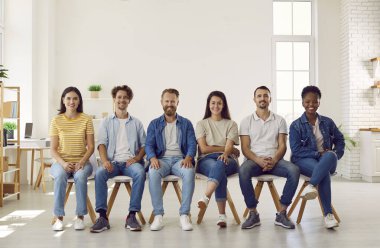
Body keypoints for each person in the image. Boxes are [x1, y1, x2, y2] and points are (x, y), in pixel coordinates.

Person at [239, 86, 300, 230]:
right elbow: (245, 148)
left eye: (265, 96)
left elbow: (282, 146)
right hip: (254, 161)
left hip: (275, 160)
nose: (262, 98)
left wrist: (274, 160)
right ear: (254, 99)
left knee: (294, 170)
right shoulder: (246, 121)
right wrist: (258, 160)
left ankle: (282, 212)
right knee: (243, 171)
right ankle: (253, 213)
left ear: (270, 99)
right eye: (259, 96)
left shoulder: (279, 120)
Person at [90, 85, 146, 233]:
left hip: (130, 163)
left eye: (125, 97)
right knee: (100, 174)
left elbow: (144, 145)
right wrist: (105, 161)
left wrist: (137, 158)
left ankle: (132, 216)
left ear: (129, 100)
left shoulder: (137, 123)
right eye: (119, 97)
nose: (122, 100)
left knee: (140, 173)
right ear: (114, 99)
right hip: (112, 163)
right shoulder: (106, 121)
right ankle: (102, 217)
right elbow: (101, 143)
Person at [289, 85, 344, 229]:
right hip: (304, 161)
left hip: (326, 160)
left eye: (315, 101)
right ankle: (328, 215)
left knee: (331, 155)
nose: (311, 105)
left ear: (319, 102)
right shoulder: (296, 125)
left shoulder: (327, 122)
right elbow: (296, 151)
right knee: (323, 172)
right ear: (302, 102)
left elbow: (340, 140)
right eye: (307, 102)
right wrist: (318, 154)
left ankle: (311, 185)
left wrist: (336, 153)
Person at [145, 88, 196, 231]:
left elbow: (192, 143)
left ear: (177, 102)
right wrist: (152, 157)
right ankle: (158, 215)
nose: (169, 104)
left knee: (189, 172)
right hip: (162, 159)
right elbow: (149, 144)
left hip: (181, 159)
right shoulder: (154, 124)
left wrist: (188, 157)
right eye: (167, 101)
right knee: (153, 172)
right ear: (161, 102)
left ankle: (184, 215)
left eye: (172, 101)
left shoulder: (186, 123)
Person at [50, 86, 95, 231]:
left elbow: (91, 146)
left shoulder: (86, 119)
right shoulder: (56, 120)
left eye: (75, 98)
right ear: (63, 100)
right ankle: (59, 218)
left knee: (81, 176)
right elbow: (53, 149)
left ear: (79, 101)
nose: (71, 101)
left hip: (82, 162)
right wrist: (63, 164)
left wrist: (81, 162)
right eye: (68, 98)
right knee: (60, 176)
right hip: (61, 163)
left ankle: (80, 217)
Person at [196, 91, 240, 228]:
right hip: (206, 160)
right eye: (213, 103)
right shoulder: (201, 124)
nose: (216, 106)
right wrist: (227, 149)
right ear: (208, 105)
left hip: (228, 160)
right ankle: (222, 215)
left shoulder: (231, 124)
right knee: (219, 169)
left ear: (224, 105)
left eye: (219, 103)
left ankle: (206, 196)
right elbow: (203, 149)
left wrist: (227, 152)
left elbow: (228, 149)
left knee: (220, 163)